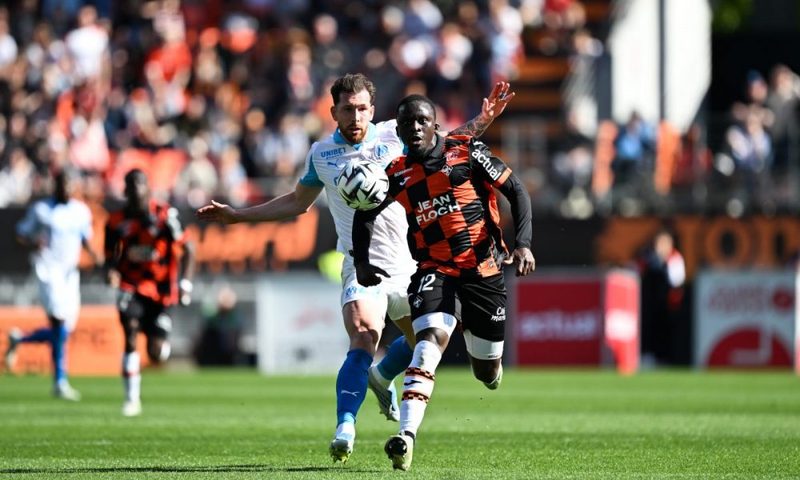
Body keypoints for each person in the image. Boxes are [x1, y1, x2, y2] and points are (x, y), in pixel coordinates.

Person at [196, 73, 514, 462]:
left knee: (428, 344)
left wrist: (484, 119)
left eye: (362, 108)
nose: (356, 117)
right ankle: (345, 427)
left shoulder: (395, 134)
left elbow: (446, 142)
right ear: (333, 112)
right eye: (348, 109)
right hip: (362, 266)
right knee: (364, 335)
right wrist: (238, 215)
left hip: (411, 264)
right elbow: (296, 202)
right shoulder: (321, 155)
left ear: (373, 110)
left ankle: (382, 377)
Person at [352, 94, 535, 471]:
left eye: (422, 121)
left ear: (435, 124)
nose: (415, 128)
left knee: (486, 373)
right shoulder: (397, 173)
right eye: (407, 123)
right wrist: (362, 262)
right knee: (429, 343)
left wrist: (524, 244)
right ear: (399, 131)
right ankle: (406, 436)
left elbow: (516, 190)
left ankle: (484, 356)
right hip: (435, 269)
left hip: (482, 271)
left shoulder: (466, 152)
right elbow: (364, 215)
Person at [104, 168, 195, 416]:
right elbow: (109, 257)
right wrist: (110, 272)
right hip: (131, 286)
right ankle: (131, 399)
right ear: (125, 190)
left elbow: (188, 249)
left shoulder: (165, 216)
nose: (136, 189)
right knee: (130, 333)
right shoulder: (116, 221)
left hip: (161, 291)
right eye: (131, 185)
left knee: (156, 354)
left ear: (148, 188)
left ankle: (156, 344)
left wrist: (185, 285)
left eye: (140, 184)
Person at [5, 168, 101, 401]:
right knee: (58, 321)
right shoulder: (42, 210)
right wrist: (32, 244)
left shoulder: (81, 211)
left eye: (69, 185)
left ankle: (20, 339)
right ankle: (60, 381)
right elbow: (20, 235)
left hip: (70, 273)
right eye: (62, 184)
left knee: (64, 330)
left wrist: (94, 254)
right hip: (48, 270)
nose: (66, 189)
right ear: (55, 186)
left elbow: (84, 238)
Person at [638, 229, 685, 367]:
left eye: (664, 243)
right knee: (648, 329)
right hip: (650, 304)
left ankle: (665, 358)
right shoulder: (649, 257)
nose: (661, 246)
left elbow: (677, 281)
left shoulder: (675, 258)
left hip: (668, 305)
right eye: (659, 243)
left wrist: (664, 263)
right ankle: (648, 356)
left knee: (665, 332)